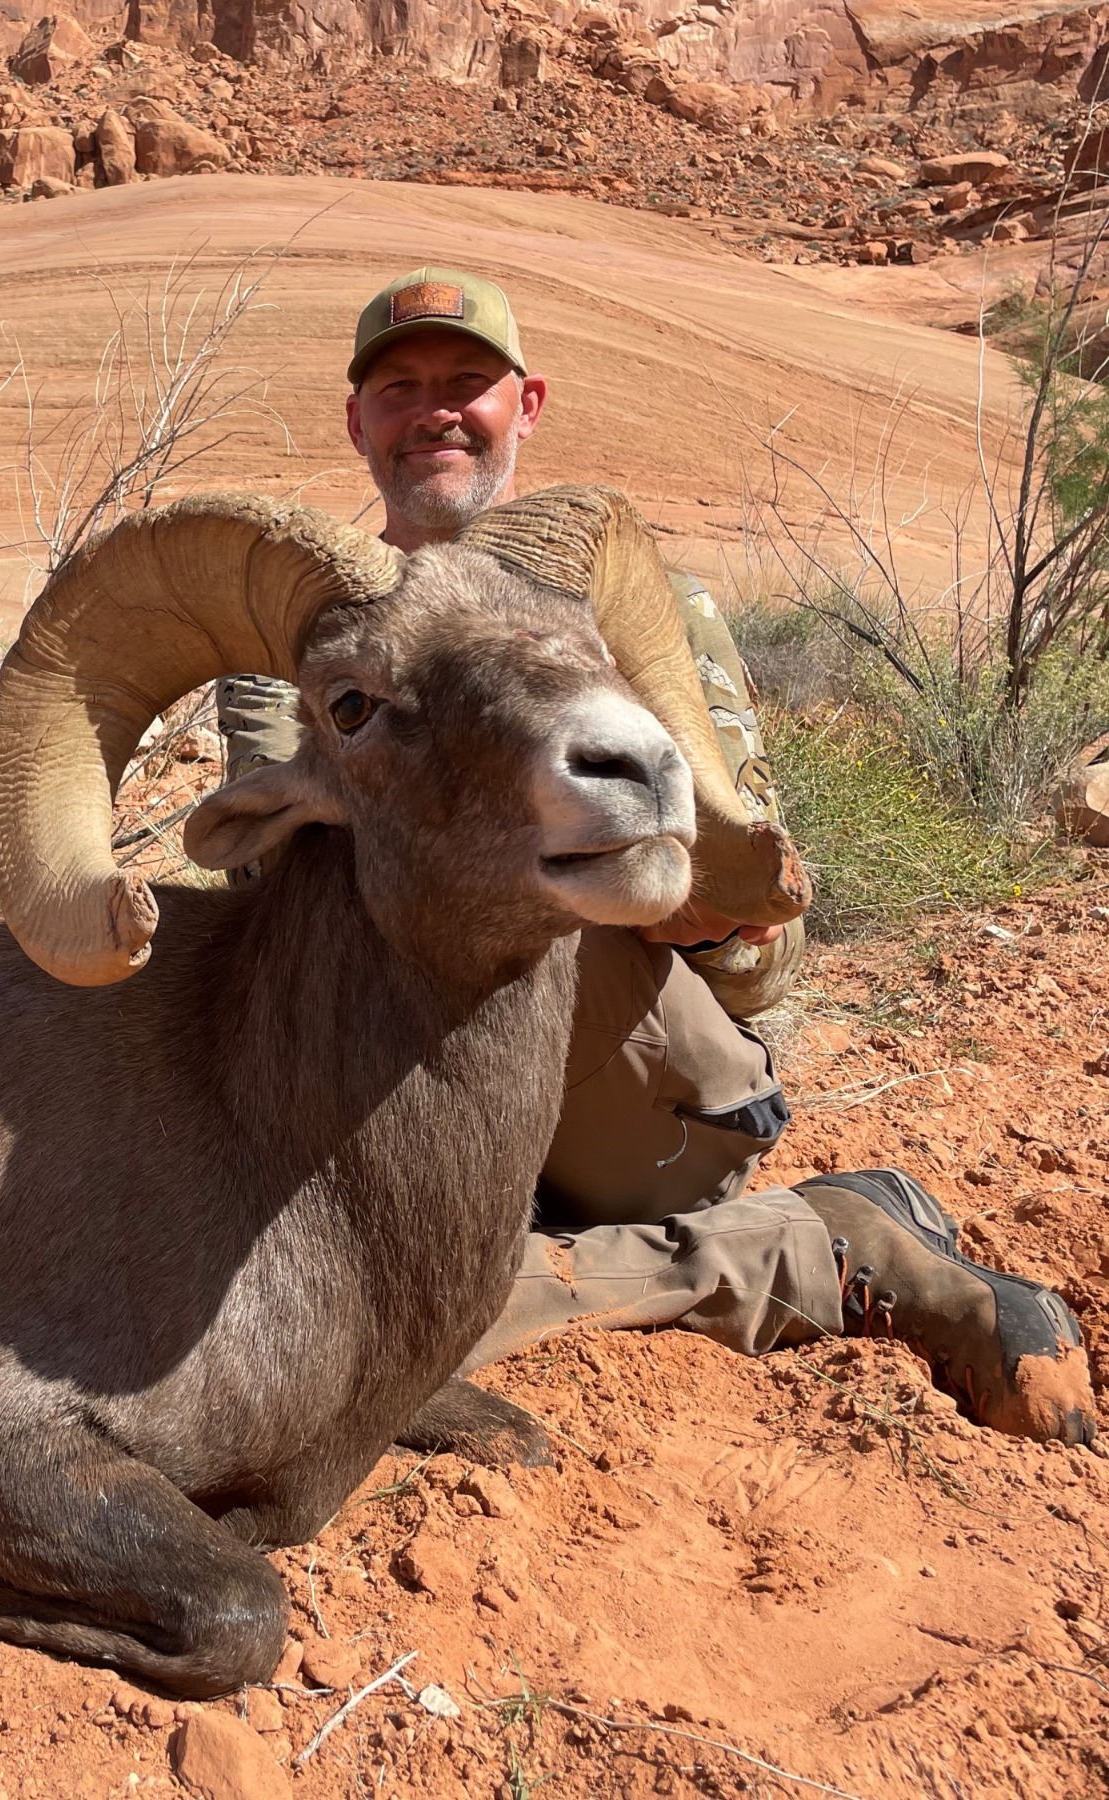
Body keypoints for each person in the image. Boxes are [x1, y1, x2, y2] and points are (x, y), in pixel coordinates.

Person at [217, 268, 1095, 1445]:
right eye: (400, 388)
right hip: (392, 1078)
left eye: (467, 382)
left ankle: (803, 1248)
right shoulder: (303, 638)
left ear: (526, 406)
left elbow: (761, 943)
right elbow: (269, 891)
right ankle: (798, 1239)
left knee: (500, 905)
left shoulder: (646, 607)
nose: (435, 411)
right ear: (356, 422)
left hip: (635, 1091)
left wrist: (704, 902)